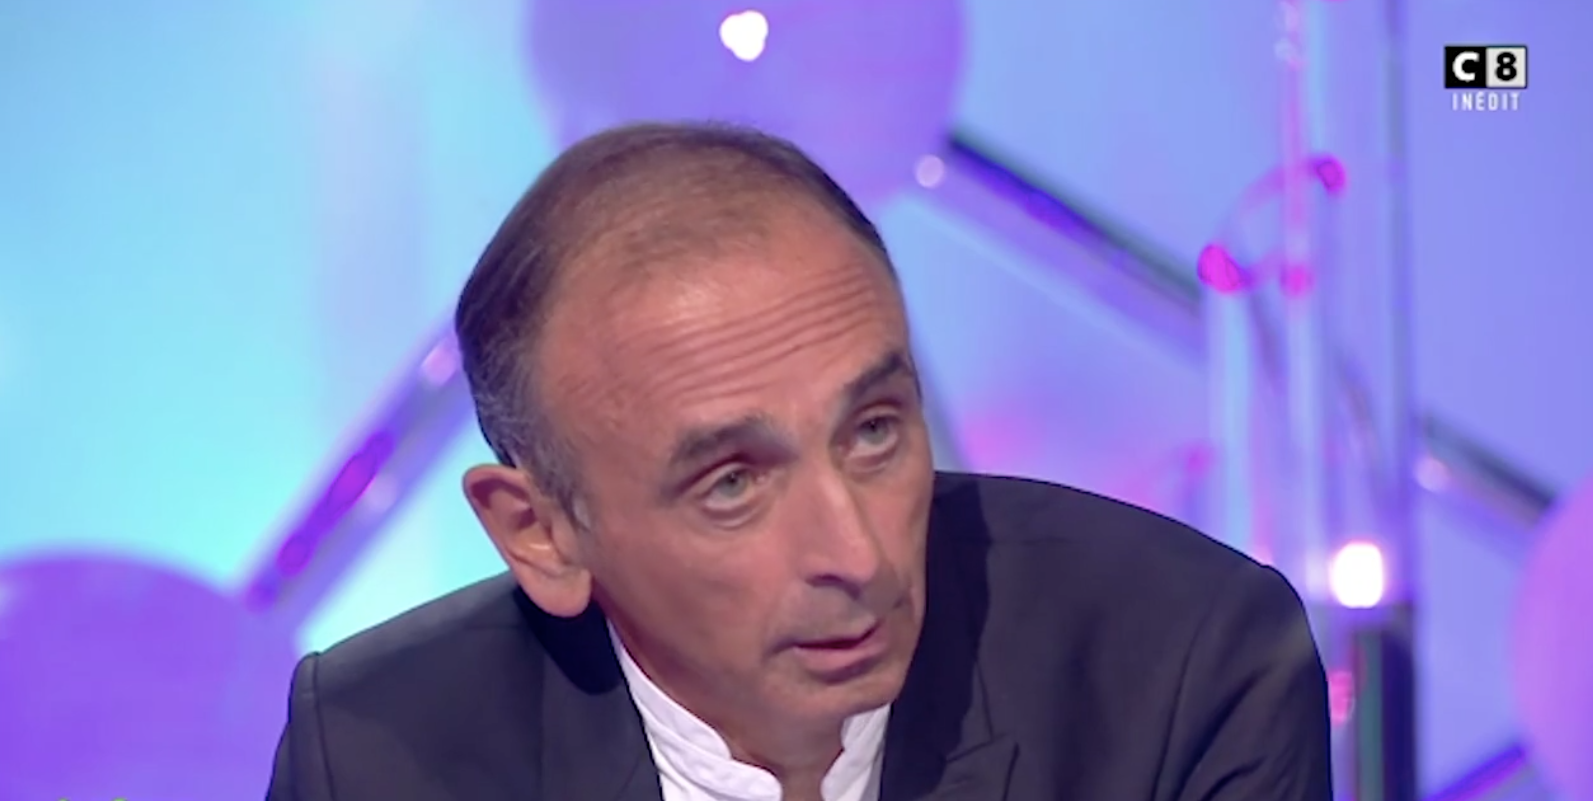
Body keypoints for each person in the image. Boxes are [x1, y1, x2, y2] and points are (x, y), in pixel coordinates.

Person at [266, 122, 1331, 801]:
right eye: (732, 483)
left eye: (873, 431)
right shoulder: (378, 753)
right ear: (538, 532)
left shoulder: (1187, 666)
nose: (857, 556)